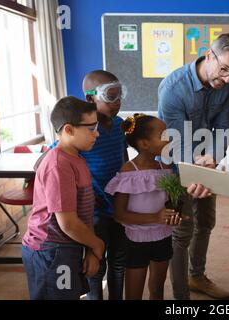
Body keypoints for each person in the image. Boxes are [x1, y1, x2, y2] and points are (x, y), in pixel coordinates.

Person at [158, 33, 229, 300]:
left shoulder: (228, 84)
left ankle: (196, 276)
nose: (227, 79)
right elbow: (176, 142)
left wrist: (212, 158)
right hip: (175, 163)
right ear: (209, 55)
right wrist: (195, 176)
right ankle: (181, 296)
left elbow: (222, 128)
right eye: (223, 70)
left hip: (205, 161)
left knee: (206, 222)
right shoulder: (173, 88)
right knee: (182, 228)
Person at [22, 96, 104, 300]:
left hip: (68, 246)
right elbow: (67, 223)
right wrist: (97, 245)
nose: (97, 134)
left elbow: (83, 213)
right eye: (91, 128)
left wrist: (91, 250)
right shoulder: (58, 165)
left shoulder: (76, 157)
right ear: (68, 129)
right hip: (51, 251)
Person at [105, 114, 183, 300]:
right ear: (144, 144)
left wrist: (176, 214)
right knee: (134, 293)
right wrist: (155, 218)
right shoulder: (129, 172)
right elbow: (119, 214)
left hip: (163, 236)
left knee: (157, 287)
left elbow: (172, 203)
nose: (169, 138)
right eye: (163, 135)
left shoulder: (166, 168)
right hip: (136, 241)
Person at [82, 70, 129, 300]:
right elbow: (53, 159)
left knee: (119, 261)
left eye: (120, 97)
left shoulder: (120, 125)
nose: (117, 103)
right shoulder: (82, 130)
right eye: (111, 98)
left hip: (119, 205)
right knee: (96, 263)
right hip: (95, 210)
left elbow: (124, 159)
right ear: (91, 99)